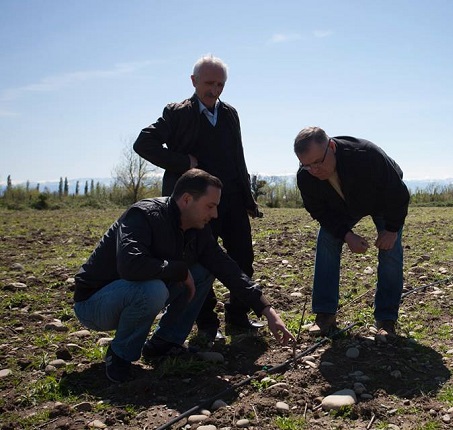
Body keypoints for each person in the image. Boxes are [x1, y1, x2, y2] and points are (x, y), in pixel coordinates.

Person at [73, 169, 294, 383]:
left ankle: (165, 343)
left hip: (134, 294)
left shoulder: (197, 230)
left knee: (204, 270)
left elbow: (227, 268)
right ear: (187, 200)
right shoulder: (143, 215)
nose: (215, 214)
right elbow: (131, 265)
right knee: (154, 290)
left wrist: (267, 310)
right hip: (95, 303)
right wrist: (178, 269)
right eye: (210, 206)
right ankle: (120, 355)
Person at [133, 55, 261, 343]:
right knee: (200, 262)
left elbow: (237, 156)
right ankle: (207, 325)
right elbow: (143, 143)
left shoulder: (230, 113)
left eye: (220, 84)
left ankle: (238, 318)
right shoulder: (177, 113)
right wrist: (182, 162)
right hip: (194, 206)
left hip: (232, 200)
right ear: (193, 81)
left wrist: (247, 195)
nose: (214, 90)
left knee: (244, 259)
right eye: (208, 83)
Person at [293, 126, 410, 339]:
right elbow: (321, 213)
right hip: (344, 206)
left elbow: (399, 194)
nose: (314, 170)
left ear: (331, 146)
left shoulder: (366, 155)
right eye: (306, 165)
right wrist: (347, 235)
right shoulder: (307, 176)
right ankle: (325, 315)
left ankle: (386, 319)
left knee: (390, 250)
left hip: (382, 202)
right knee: (327, 238)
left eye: (318, 162)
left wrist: (391, 230)